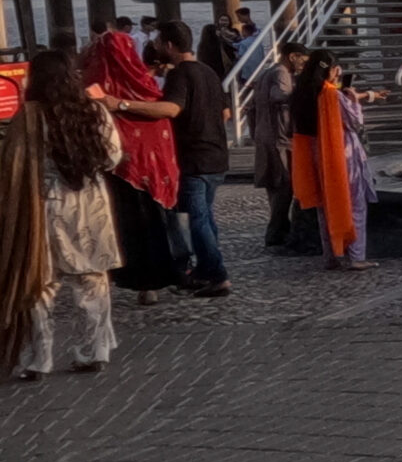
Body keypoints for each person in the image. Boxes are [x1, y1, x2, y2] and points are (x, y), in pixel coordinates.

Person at [4, 51, 126, 381]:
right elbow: (113, 156)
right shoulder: (94, 111)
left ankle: (39, 358)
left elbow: (11, 165)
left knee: (39, 285)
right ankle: (95, 350)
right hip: (89, 204)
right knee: (92, 281)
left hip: (41, 204)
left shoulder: (28, 117)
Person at [81, 30, 186, 305]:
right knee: (153, 221)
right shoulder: (144, 84)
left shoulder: (96, 85)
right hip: (150, 166)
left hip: (115, 165)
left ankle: (134, 279)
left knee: (125, 224)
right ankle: (159, 278)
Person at [155, 22, 235, 297]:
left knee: (196, 218)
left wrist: (123, 105)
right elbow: (226, 113)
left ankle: (218, 274)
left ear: (169, 46)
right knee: (207, 217)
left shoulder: (179, 75)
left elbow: (172, 108)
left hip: (193, 158)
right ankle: (203, 269)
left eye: (158, 40)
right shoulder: (209, 72)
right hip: (217, 156)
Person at [290, 50, 379, 271]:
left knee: (325, 207)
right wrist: (353, 99)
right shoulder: (332, 94)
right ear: (330, 70)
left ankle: (331, 254)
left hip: (315, 153)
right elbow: (354, 122)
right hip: (340, 153)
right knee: (355, 204)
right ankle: (356, 256)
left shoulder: (303, 92)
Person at [246, 40, 309, 251]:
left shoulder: (265, 73)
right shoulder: (282, 73)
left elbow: (251, 107)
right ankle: (277, 232)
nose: (303, 65)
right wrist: (301, 92)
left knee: (274, 187)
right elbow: (279, 96)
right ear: (293, 56)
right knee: (285, 185)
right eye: (303, 60)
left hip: (264, 136)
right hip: (279, 138)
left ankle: (277, 230)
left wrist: (255, 132)